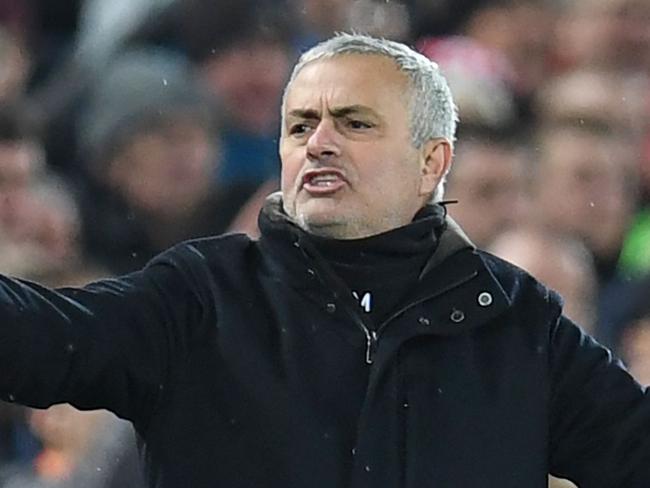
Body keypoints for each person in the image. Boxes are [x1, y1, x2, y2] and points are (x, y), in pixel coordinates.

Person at [0, 33, 649, 488]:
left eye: (355, 123)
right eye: (300, 124)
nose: (320, 143)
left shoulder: (513, 320)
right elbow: (44, 336)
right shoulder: (204, 296)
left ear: (433, 162)